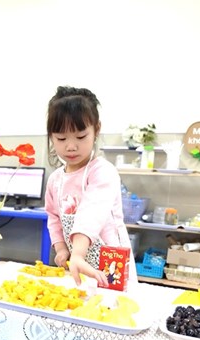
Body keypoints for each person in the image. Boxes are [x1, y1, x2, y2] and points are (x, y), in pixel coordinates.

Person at [44, 86, 137, 287]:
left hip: (113, 261)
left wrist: (77, 253)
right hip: (79, 264)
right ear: (51, 136)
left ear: (96, 129)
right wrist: (61, 249)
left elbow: (92, 212)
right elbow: (54, 217)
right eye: (61, 138)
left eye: (80, 137)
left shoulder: (102, 171)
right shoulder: (55, 180)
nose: (71, 146)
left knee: (112, 303)